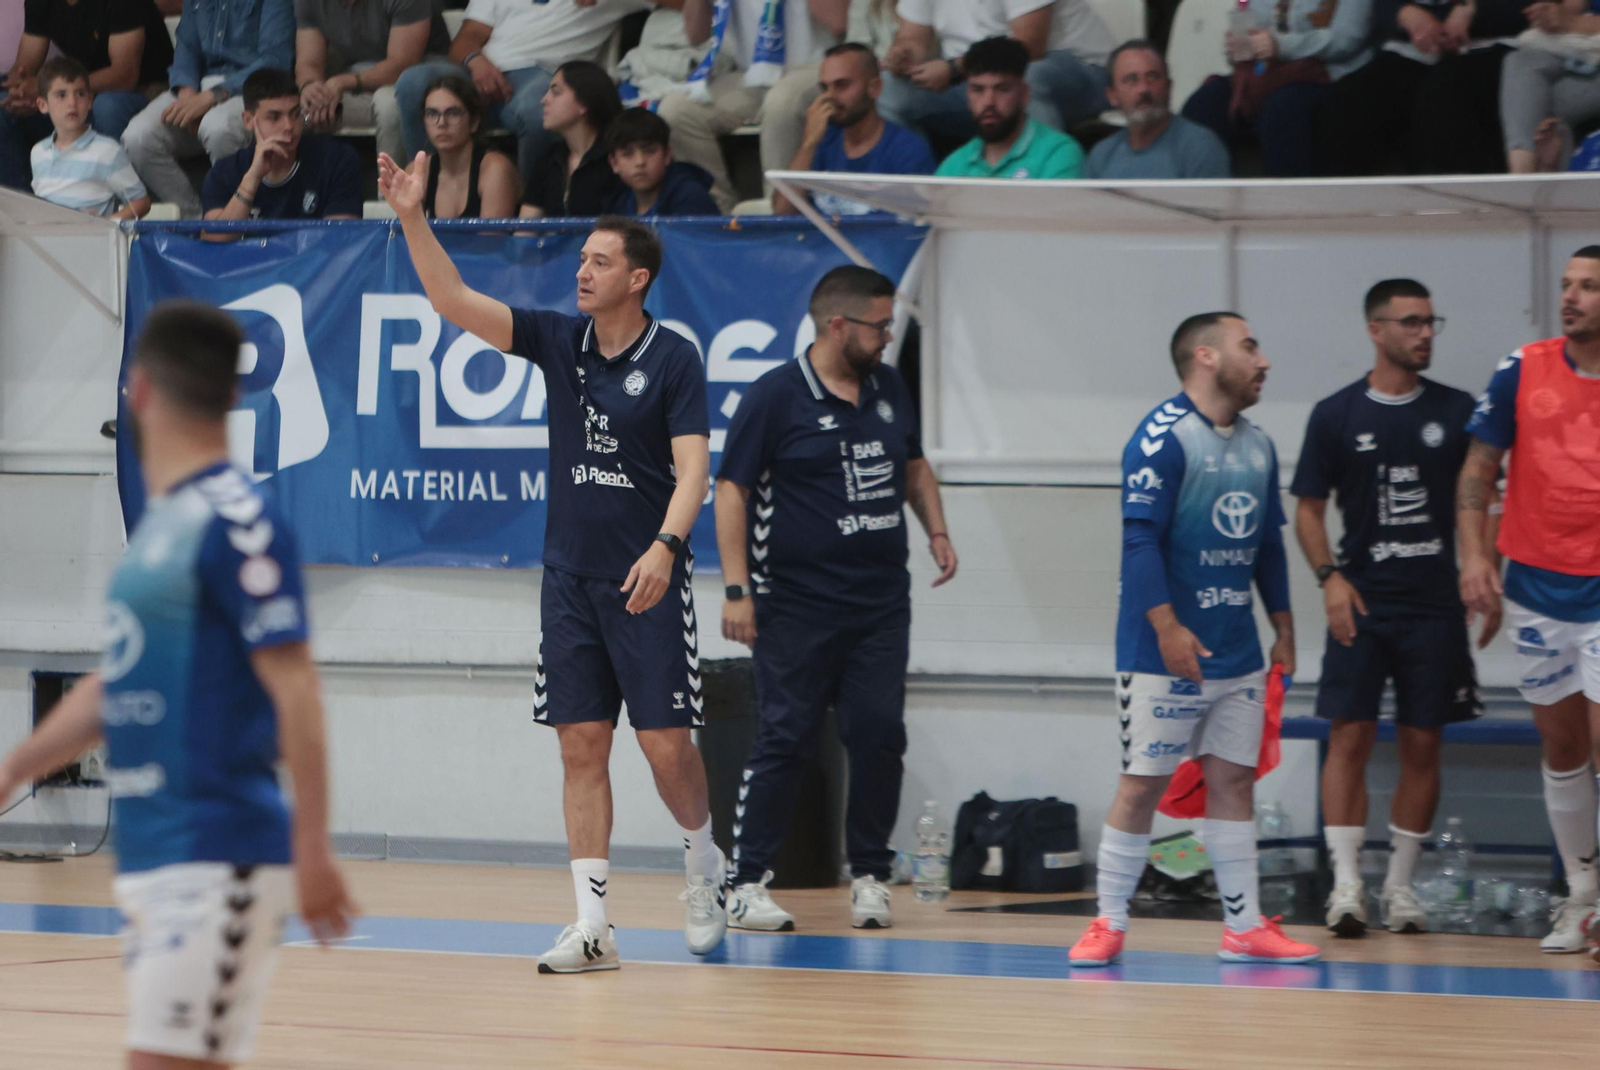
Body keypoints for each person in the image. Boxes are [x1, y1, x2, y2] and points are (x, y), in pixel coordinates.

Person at [377, 150, 727, 970]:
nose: (583, 272)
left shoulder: (674, 359)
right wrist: (412, 217)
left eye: (600, 263)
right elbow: (451, 299)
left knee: (666, 746)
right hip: (568, 579)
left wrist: (667, 548)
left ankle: (704, 864)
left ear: (637, 278)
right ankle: (594, 926)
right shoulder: (560, 342)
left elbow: (694, 473)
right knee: (580, 746)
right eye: (581, 260)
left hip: (644, 580)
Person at [0, 299, 356, 1068]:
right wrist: (13, 770)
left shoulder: (235, 517)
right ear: (233, 395)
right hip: (156, 857)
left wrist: (314, 847)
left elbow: (296, 688)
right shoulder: (163, 526)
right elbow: (114, 684)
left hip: (215, 853)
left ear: (137, 391)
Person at [1068, 311, 1321, 968]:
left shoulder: (1261, 445)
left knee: (1234, 783)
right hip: (1162, 654)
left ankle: (1244, 929)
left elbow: (1268, 544)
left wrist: (1286, 628)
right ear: (1206, 357)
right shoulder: (1162, 439)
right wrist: (1166, 627)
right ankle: (1108, 923)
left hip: (1235, 651)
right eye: (1250, 346)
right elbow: (1138, 540)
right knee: (1142, 785)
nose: (1263, 361)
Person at [714, 265, 957, 931]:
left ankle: (871, 876)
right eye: (879, 326)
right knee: (785, 737)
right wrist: (738, 590)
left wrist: (935, 527)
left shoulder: (888, 387)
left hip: (881, 605)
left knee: (879, 735)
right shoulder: (775, 397)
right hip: (794, 605)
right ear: (838, 325)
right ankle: (743, 883)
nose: (887, 338)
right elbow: (730, 490)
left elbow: (913, 465)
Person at [1290, 279, 1483, 938]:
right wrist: (1329, 579)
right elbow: (1308, 511)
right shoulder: (1336, 414)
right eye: (1410, 323)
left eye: (1431, 322)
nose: (1424, 334)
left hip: (1433, 604)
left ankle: (1400, 888)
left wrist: (1486, 571)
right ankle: (1347, 888)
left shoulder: (1460, 411)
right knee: (1349, 736)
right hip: (1363, 601)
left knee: (1423, 742)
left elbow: (1481, 501)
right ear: (1376, 330)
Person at [1458, 245, 1600, 956]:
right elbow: (1479, 468)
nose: (1571, 297)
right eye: (1567, 284)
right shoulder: (1522, 367)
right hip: (1537, 588)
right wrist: (1477, 557)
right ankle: (1581, 898)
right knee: (1562, 745)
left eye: (1589, 288)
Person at [396, 0, 677, 183]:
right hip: (479, 70)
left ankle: (530, 204)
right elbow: (465, 40)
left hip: (542, 75)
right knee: (413, 81)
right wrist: (476, 62)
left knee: (537, 111)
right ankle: (423, 187)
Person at [122, 0, 295, 218]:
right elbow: (187, 49)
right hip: (199, 86)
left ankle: (236, 220)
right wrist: (188, 99)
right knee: (138, 137)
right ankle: (196, 221)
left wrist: (210, 98)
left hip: (252, 87)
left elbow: (275, 60)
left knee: (218, 128)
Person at [666, 0, 843, 211]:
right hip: (751, 75)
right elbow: (695, 35)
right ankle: (717, 216)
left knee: (780, 101)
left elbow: (838, 23)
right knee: (677, 110)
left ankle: (776, 213)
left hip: (814, 68)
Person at [1316, 0, 1525, 177]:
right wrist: (1403, 13)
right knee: (1347, 102)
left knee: (1444, 98)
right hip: (1411, 50)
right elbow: (1377, 14)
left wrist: (1472, 10)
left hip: (1490, 47)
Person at [1181, 0, 1374, 177]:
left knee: (1282, 111)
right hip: (1266, 72)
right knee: (1205, 102)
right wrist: (1240, 45)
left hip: (1329, 75)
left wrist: (1282, 45)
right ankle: (1199, 201)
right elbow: (1247, 28)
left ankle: (1289, 206)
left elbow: (1347, 39)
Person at [881, 0, 1114, 143]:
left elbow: (1028, 46)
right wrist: (904, 55)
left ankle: (1047, 198)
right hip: (975, 79)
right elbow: (913, 37)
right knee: (888, 90)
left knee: (1027, 78)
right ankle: (922, 201)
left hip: (1081, 71)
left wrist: (953, 68)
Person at [0, 0, 172, 191]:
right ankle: (23, 210)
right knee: (4, 106)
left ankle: (109, 200)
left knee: (107, 107)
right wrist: (19, 91)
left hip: (146, 91)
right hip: (83, 93)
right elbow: (25, 67)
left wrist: (51, 90)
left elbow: (124, 76)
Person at [772, 41, 935, 216]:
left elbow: (914, 232)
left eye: (842, 85)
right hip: (818, 243)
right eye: (824, 87)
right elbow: (782, 212)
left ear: (874, 88)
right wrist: (808, 144)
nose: (830, 97)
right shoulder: (819, 143)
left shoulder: (908, 150)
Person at [201, 67, 362, 228]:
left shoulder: (337, 161)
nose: (289, 126)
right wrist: (252, 179)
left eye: (295, 114)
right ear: (248, 120)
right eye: (274, 117)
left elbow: (342, 240)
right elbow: (214, 239)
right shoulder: (224, 173)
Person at [292, 0, 448, 164]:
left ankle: (394, 188)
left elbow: (402, 65)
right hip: (356, 73)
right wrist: (311, 88)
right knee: (296, 112)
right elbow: (309, 62)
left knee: (388, 105)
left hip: (422, 75)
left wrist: (342, 83)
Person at [934, 36, 1083, 179]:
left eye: (1002, 89)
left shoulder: (1058, 153)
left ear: (1024, 94)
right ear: (968, 96)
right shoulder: (953, 165)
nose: (988, 102)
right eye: (978, 90)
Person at [1084, 40, 1230, 180]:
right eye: (1131, 80)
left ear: (1169, 87)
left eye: (1152, 77)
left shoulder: (1200, 148)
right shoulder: (1102, 156)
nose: (1144, 89)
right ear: (1112, 95)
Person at [30, 55, 151, 218]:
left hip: (91, 242)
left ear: (90, 101)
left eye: (80, 94)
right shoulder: (38, 153)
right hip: (48, 240)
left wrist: (105, 227)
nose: (72, 102)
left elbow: (141, 202)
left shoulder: (107, 151)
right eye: (61, 95)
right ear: (43, 105)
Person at [1500, 1, 1600, 173]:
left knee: (1532, 104)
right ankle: (1522, 176)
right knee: (1521, 63)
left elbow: (1569, 19)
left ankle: (1532, 183)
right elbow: (1570, 7)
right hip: (1581, 48)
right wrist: (1549, 14)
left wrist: (1572, 22)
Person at [518, 60, 624, 220]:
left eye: (556, 92)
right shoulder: (548, 158)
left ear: (584, 102)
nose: (544, 100)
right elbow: (525, 232)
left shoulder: (617, 159)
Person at [418, 73, 518, 220]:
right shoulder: (420, 170)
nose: (441, 123)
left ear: (474, 122)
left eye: (453, 113)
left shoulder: (495, 168)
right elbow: (404, 238)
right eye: (432, 114)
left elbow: (492, 241)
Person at [605, 106, 718, 217]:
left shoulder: (691, 197)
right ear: (614, 163)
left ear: (667, 155)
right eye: (628, 154)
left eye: (650, 151)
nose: (640, 162)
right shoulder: (615, 204)